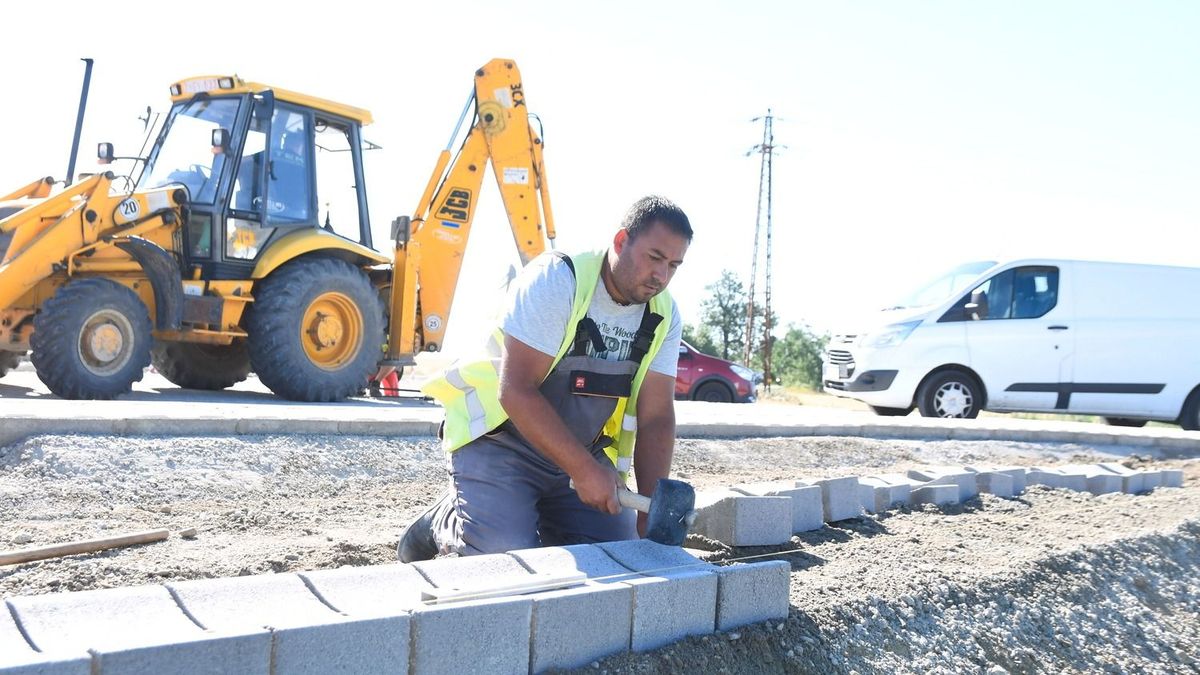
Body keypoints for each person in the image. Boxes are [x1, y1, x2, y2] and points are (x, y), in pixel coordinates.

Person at [399, 195, 692, 560]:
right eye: (654, 258)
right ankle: (447, 518)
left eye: (674, 265)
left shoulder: (663, 313)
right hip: (501, 443)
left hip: (579, 450)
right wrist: (584, 472)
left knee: (617, 555)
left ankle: (539, 517)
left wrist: (651, 509)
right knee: (502, 558)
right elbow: (516, 390)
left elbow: (656, 416)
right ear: (621, 241)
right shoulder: (560, 280)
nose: (661, 276)